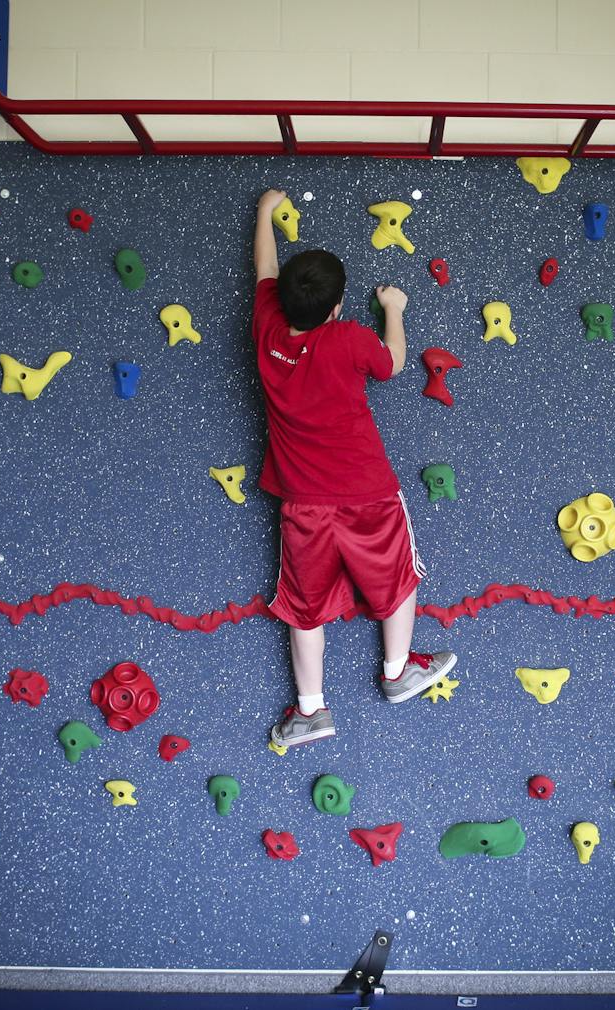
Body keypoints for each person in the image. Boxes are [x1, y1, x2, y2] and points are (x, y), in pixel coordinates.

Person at [249, 188, 456, 749]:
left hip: (303, 503)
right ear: (338, 308)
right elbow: (389, 363)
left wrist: (265, 213)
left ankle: (311, 710)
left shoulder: (268, 330)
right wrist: (394, 310)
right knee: (397, 578)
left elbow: (264, 271)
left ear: (284, 303)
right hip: (368, 493)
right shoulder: (346, 339)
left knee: (303, 604)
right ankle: (396, 672)